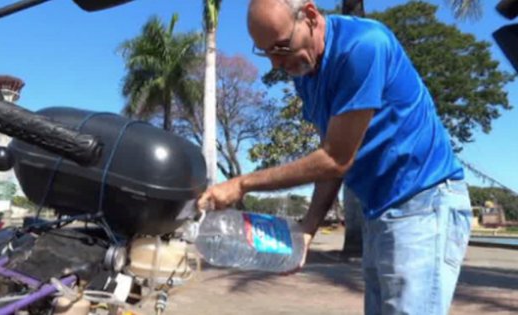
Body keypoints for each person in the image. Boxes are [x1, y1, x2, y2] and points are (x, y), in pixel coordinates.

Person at [196, 0, 473, 314]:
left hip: (423, 201)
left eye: (281, 47)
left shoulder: (363, 46)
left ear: (311, 17)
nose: (275, 63)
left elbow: (335, 158)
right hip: (380, 211)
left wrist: (242, 184)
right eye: (266, 52)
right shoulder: (306, 73)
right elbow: (330, 162)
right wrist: (307, 231)